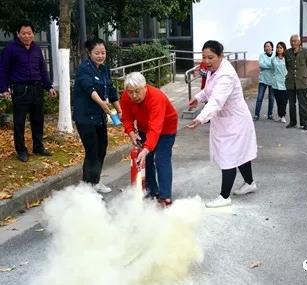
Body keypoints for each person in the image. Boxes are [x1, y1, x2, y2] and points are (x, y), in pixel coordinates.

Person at [187, 40, 258, 208]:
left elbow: (216, 101)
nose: (207, 61)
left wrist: (200, 118)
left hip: (235, 122)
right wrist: (198, 98)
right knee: (240, 154)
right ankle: (249, 183)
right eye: (204, 57)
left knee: (229, 156)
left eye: (211, 57)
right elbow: (208, 90)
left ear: (221, 56)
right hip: (226, 120)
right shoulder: (214, 70)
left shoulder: (225, 74)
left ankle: (224, 197)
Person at [0, 21, 57, 162]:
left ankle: (38, 147)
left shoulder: (37, 49)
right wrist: (3, 88)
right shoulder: (10, 49)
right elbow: (3, 69)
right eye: (24, 33)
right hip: (20, 89)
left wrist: (48, 86)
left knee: (38, 120)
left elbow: (42, 69)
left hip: (37, 89)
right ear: (18, 34)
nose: (27, 36)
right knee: (19, 122)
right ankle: (21, 150)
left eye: (29, 33)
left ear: (33, 34)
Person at [120, 72, 178, 207]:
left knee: (161, 159)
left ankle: (165, 196)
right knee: (147, 160)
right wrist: (131, 133)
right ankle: (152, 191)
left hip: (166, 127)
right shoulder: (126, 97)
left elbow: (156, 127)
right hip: (143, 127)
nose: (134, 96)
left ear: (145, 87)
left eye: (137, 91)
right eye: (130, 92)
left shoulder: (156, 97)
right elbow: (127, 118)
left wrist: (146, 148)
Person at [73, 38, 121, 193]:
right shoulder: (84, 69)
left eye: (103, 53)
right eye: (97, 53)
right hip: (85, 118)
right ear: (89, 53)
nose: (100, 56)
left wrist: (119, 109)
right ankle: (88, 187)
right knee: (92, 151)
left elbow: (111, 90)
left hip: (99, 117)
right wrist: (102, 103)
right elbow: (89, 88)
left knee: (102, 149)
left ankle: (95, 181)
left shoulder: (104, 69)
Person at [285, 34, 307, 130]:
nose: (293, 43)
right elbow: (287, 66)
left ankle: (305, 123)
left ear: (299, 42)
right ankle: (293, 122)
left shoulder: (306, 51)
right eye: (292, 41)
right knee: (291, 104)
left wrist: (304, 74)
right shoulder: (287, 52)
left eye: (295, 41)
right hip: (291, 82)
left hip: (302, 81)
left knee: (303, 104)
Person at [253, 41, 274, 121]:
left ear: (272, 47)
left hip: (272, 80)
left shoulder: (275, 55)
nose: (267, 48)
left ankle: (270, 114)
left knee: (271, 98)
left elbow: (274, 65)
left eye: (268, 46)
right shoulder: (262, 55)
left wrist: (266, 65)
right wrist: (270, 65)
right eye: (265, 46)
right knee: (259, 97)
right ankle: (256, 114)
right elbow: (261, 65)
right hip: (263, 80)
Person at [271, 41, 288, 123]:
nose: (279, 49)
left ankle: (283, 115)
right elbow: (272, 70)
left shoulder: (287, 59)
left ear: (284, 49)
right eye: (277, 47)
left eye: (280, 47)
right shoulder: (273, 59)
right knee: (278, 101)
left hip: (285, 82)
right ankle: (280, 115)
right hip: (276, 83)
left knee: (284, 101)